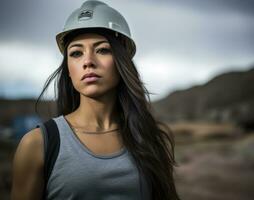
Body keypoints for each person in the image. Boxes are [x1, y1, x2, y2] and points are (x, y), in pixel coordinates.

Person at [11, 1, 181, 200]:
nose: (88, 61)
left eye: (102, 50)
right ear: (68, 68)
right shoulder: (37, 144)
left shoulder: (149, 138)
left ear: (121, 61)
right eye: (76, 53)